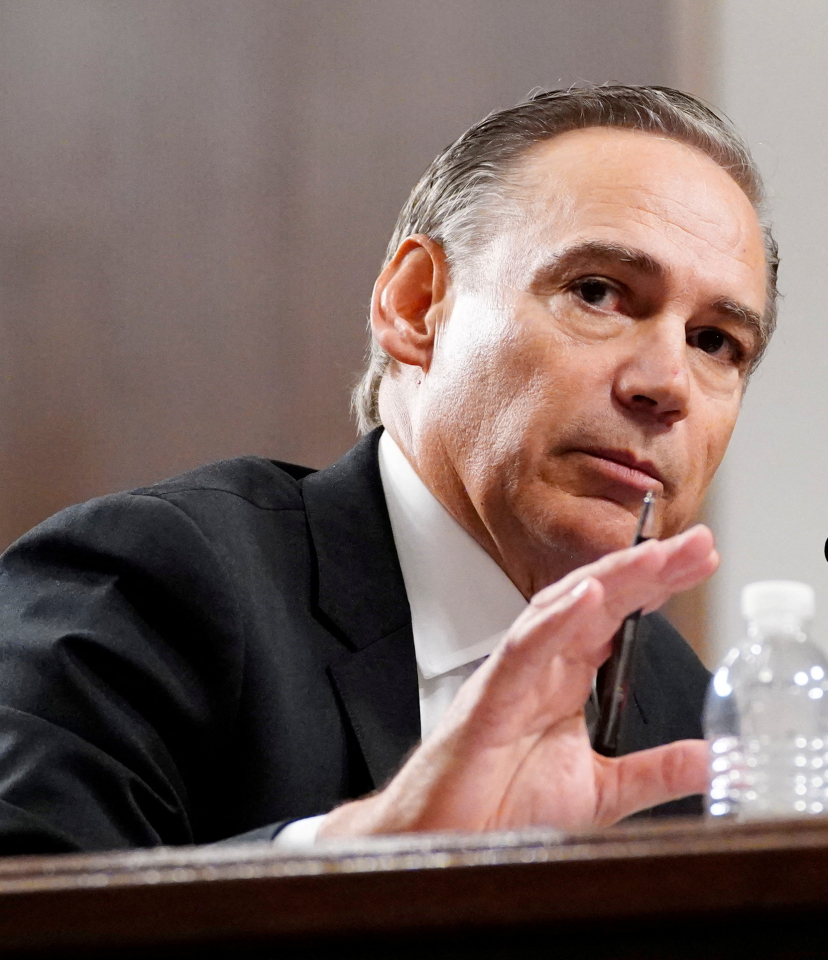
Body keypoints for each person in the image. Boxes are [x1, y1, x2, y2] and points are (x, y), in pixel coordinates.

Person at [0, 85, 778, 854]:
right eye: (598, 293)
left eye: (715, 342)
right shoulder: (163, 583)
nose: (666, 384)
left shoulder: (677, 701)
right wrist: (361, 852)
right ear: (415, 305)